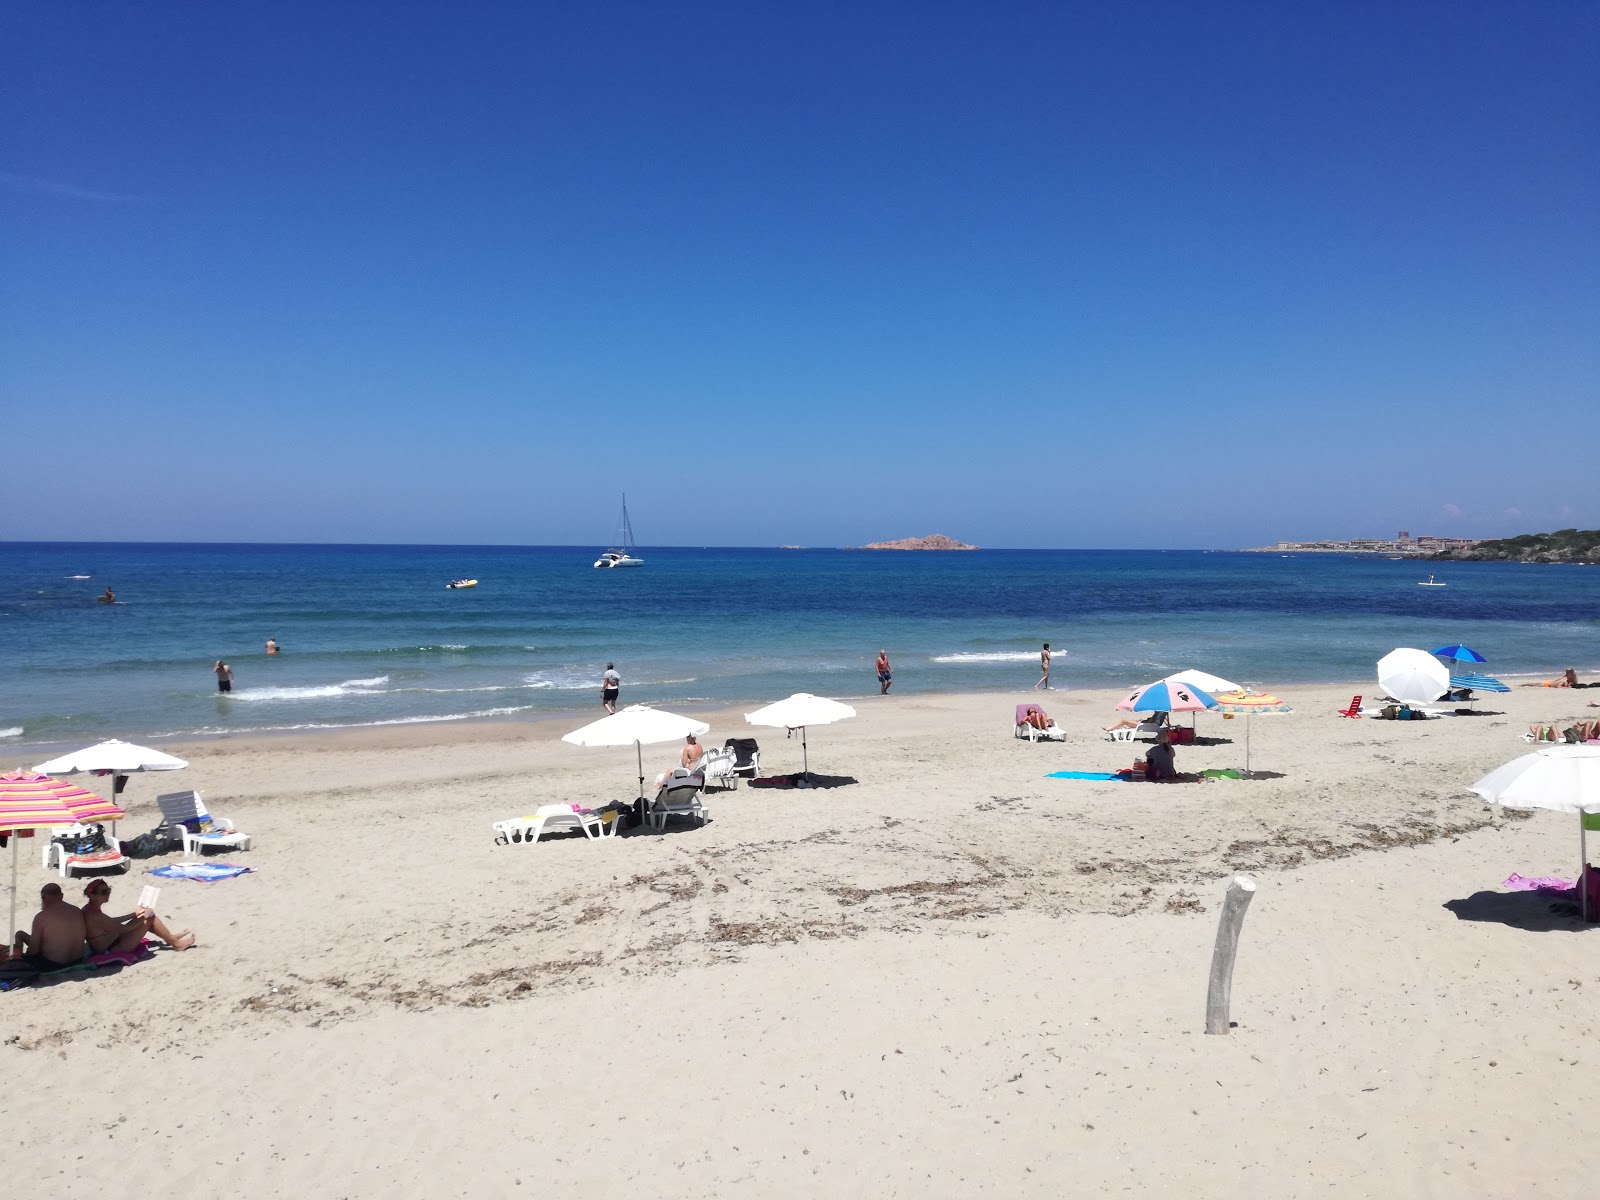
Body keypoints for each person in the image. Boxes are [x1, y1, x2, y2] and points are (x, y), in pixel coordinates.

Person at [82, 880, 194, 953]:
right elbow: (124, 929)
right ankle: (176, 943)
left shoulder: (90, 909)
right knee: (150, 917)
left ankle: (170, 938)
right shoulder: (93, 915)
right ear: (92, 895)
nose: (108, 894)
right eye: (104, 892)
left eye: (109, 890)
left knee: (145, 915)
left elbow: (110, 921)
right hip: (111, 950)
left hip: (112, 942)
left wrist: (134, 914)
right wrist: (144, 917)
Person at [12, 883, 88, 969]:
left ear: (43, 898)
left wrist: (27, 955)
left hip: (54, 964)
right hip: (77, 960)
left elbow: (34, 950)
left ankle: (18, 961)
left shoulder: (41, 917)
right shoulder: (76, 910)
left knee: (19, 934)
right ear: (62, 896)